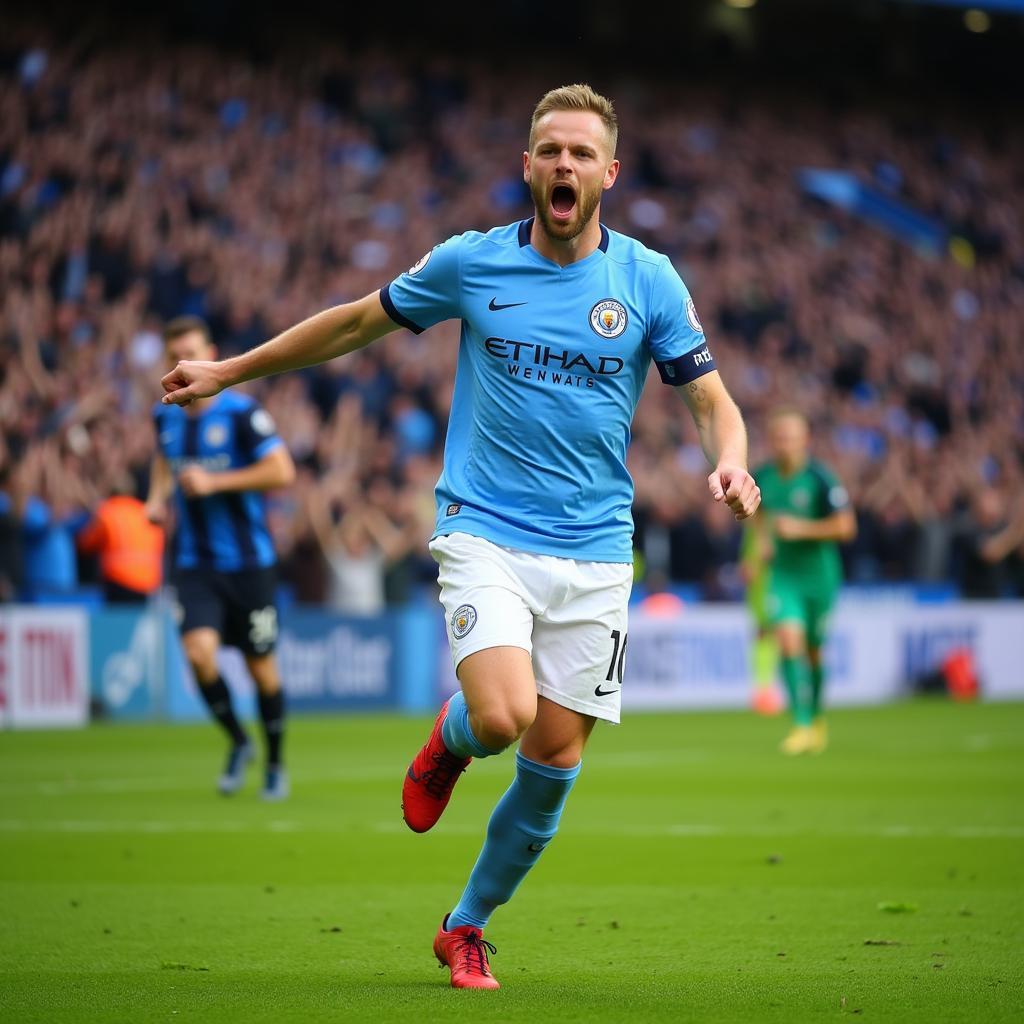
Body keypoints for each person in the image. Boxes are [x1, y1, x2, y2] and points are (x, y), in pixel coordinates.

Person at [159, 84, 761, 988]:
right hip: (484, 527)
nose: (565, 165)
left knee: (553, 767)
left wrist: (734, 461)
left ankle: (464, 925)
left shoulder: (647, 280)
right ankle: (449, 742)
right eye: (550, 150)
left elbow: (713, 404)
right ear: (527, 165)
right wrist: (230, 371)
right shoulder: (471, 264)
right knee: (503, 716)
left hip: (596, 551)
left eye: (581, 154)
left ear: (610, 172)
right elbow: (358, 322)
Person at [148, 316, 296, 800]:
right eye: (175, 358)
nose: (183, 368)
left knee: (261, 670)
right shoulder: (165, 415)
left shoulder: (241, 414)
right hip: (196, 564)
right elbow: (162, 459)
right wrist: (156, 497)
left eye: (191, 354)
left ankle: (274, 765)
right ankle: (237, 741)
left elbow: (281, 470)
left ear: (209, 354)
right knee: (198, 653)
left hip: (250, 564)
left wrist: (216, 482)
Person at [752, 407, 856, 755]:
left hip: (819, 577)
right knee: (788, 640)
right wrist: (763, 544)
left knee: (813, 651)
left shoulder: (821, 478)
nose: (785, 445)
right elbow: (757, 516)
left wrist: (801, 529)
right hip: (783, 576)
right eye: (779, 438)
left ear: (805, 441)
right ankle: (801, 724)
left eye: (792, 438)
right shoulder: (762, 476)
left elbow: (846, 527)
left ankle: (816, 717)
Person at [76, 474, 164, 604]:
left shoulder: (107, 512)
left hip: (118, 580)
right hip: (149, 581)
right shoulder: (145, 512)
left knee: (119, 620)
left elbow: (87, 543)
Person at [739, 523, 782, 715]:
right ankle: (764, 688)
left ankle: (770, 687)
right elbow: (747, 561)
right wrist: (749, 568)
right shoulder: (752, 529)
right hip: (760, 589)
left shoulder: (777, 523)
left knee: (779, 634)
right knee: (763, 634)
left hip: (777, 585)